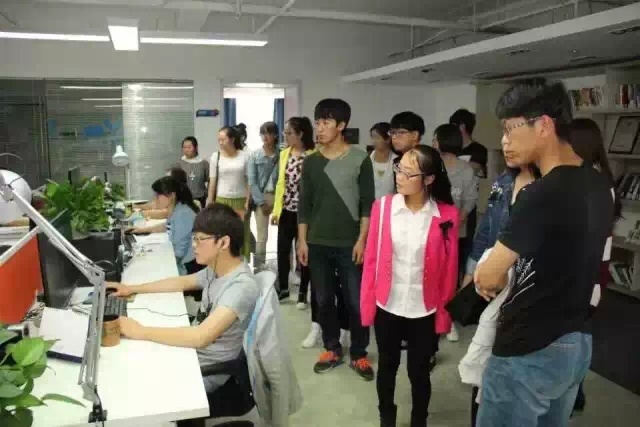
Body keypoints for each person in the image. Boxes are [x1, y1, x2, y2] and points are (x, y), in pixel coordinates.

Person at [474, 81, 614, 427]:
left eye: (510, 129)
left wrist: (485, 274)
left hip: (528, 347)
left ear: (544, 125)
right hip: (574, 341)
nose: (504, 140)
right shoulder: (598, 184)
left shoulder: (541, 193)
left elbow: (489, 275)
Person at [107, 203, 260, 393]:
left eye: (200, 239)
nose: (194, 245)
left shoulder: (241, 286)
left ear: (223, 243)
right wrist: (131, 288)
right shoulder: (217, 269)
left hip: (205, 369)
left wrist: (140, 331)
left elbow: (201, 337)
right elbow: (181, 282)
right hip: (191, 353)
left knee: (132, 380)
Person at [361, 145, 459, 427]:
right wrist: (367, 306)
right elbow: (371, 261)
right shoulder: (383, 208)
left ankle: (419, 420)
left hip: (424, 308)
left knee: (419, 372)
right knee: (387, 367)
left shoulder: (447, 215)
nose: (399, 176)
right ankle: (386, 418)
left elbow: (449, 271)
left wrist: (444, 316)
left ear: (429, 179)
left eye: (408, 172)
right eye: (399, 169)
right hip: (387, 304)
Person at [297, 98, 375, 380]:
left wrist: (362, 239)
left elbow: (367, 205)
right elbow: (304, 206)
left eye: (326, 122)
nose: (319, 128)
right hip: (317, 243)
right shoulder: (311, 162)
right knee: (323, 299)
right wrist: (302, 241)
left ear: (341, 126)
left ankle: (359, 352)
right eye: (317, 122)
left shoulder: (359, 159)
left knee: (355, 301)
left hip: (350, 243)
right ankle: (332, 348)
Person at [459, 156, 539, 427]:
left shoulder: (548, 186)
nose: (506, 142)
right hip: (492, 281)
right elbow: (486, 229)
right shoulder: (504, 180)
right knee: (485, 364)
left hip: (525, 289)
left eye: (512, 135)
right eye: (504, 135)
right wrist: (472, 270)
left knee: (512, 372)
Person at [569, 117, 620, 414]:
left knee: (577, 332)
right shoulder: (598, 180)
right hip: (592, 271)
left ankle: (574, 391)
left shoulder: (591, 184)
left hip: (585, 271)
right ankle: (575, 390)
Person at [432, 123, 479, 342]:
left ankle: (448, 319)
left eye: (435, 139)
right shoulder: (432, 166)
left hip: (455, 234)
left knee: (450, 279)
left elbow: (470, 200)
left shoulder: (466, 170)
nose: (433, 143)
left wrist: (458, 219)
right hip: (431, 233)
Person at [271, 117, 314, 304]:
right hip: (286, 210)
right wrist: (276, 211)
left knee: (303, 251)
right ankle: (283, 288)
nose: (285, 136)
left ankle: (303, 290)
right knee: (282, 250)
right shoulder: (284, 154)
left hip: (306, 213)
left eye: (289, 133)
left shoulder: (313, 155)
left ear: (300, 134)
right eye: (285, 133)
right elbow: (280, 184)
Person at [128, 176, 199, 275]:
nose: (155, 199)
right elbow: (168, 225)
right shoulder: (177, 209)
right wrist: (143, 230)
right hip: (183, 261)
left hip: (188, 266)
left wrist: (155, 262)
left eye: (158, 195)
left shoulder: (182, 214)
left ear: (172, 195)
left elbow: (179, 253)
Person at [207, 126, 251, 260]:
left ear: (232, 139)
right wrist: (209, 201)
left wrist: (248, 201)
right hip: (222, 200)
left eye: (223, 139)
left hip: (240, 200)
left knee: (240, 233)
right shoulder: (216, 157)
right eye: (219, 140)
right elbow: (212, 181)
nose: (220, 143)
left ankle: (241, 261)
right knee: (222, 233)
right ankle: (223, 261)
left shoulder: (245, 156)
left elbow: (249, 180)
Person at [248, 122, 279, 270]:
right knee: (262, 237)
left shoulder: (282, 154)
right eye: (263, 133)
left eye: (269, 133)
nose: (265, 137)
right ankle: (259, 268)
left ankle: (287, 268)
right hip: (262, 197)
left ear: (275, 135)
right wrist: (261, 202)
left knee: (284, 236)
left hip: (280, 197)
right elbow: (252, 181)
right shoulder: (255, 155)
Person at [180, 136, 209, 209]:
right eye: (184, 147)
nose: (186, 150)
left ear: (196, 147)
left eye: (189, 147)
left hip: (200, 198)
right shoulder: (179, 164)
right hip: (183, 199)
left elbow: (210, 180)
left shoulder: (204, 163)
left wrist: (206, 193)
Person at [369, 122, 397, 199]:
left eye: (377, 138)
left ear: (388, 139)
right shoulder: (366, 160)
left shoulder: (397, 161)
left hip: (391, 204)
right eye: (372, 137)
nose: (373, 141)